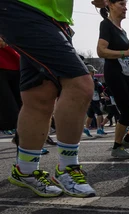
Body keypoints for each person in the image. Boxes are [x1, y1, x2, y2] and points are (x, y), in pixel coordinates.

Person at [0, 0, 101, 197]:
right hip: (22, 8)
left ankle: (25, 171)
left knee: (39, 96)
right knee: (81, 85)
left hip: (54, 17)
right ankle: (68, 168)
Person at [97, 0, 129, 159]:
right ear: (110, 5)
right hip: (114, 74)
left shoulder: (122, 31)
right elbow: (101, 51)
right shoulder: (106, 25)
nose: (126, 8)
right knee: (126, 112)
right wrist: (126, 53)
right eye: (121, 4)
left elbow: (121, 55)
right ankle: (116, 146)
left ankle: (128, 140)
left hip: (126, 73)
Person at [83, 65, 107, 137]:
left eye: (93, 72)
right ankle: (99, 128)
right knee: (99, 114)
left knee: (90, 115)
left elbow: (100, 91)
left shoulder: (95, 81)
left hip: (95, 99)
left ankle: (86, 128)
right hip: (91, 100)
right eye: (92, 71)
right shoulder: (85, 80)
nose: (93, 73)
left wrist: (104, 96)